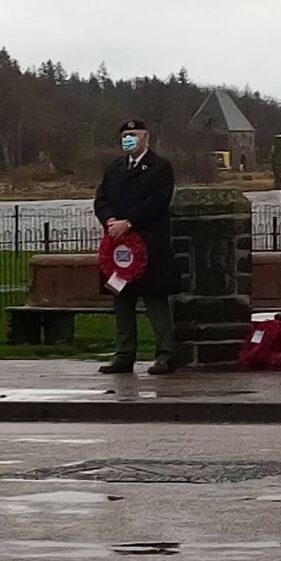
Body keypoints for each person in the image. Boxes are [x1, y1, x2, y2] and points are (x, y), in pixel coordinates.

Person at [94, 120, 180, 375]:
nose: (128, 139)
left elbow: (158, 202)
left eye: (133, 135)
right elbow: (101, 199)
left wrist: (129, 223)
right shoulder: (114, 168)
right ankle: (124, 355)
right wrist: (109, 220)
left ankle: (165, 355)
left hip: (149, 244)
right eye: (124, 135)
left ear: (146, 138)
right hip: (117, 248)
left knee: (155, 302)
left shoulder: (160, 167)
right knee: (121, 301)